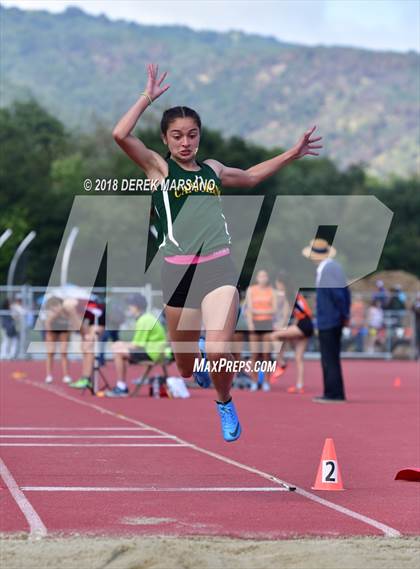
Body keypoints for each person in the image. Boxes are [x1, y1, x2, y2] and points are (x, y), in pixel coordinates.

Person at [112, 62, 322, 441]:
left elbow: (254, 176)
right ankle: (202, 364)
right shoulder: (158, 169)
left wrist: (292, 153)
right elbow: (119, 133)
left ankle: (224, 400)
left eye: (192, 135)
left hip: (218, 268)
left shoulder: (212, 170)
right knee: (185, 367)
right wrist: (146, 97)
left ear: (199, 137)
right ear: (165, 140)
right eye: (177, 136)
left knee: (221, 347)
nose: (185, 142)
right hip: (177, 274)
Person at [302, 238, 350, 403]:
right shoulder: (331, 267)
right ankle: (333, 391)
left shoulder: (328, 269)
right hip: (332, 318)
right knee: (330, 357)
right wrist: (345, 314)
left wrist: (344, 315)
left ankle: (334, 393)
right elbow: (345, 292)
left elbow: (339, 294)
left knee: (329, 358)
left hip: (330, 319)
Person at [106, 293, 169, 397]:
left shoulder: (144, 320)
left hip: (153, 353)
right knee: (119, 349)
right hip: (156, 351)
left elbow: (137, 345)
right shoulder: (146, 318)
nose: (129, 307)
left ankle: (121, 387)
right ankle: (122, 386)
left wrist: (120, 345)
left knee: (118, 353)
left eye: (131, 305)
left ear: (137, 306)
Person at [270, 292, 314, 393]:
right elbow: (299, 315)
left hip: (304, 325)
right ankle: (300, 386)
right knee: (298, 358)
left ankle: (281, 363)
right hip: (307, 325)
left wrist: (280, 328)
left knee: (274, 335)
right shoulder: (298, 297)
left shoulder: (290, 296)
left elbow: (286, 315)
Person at [245, 269, 277, 391]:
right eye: (260, 276)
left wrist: (257, 311)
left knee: (266, 355)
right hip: (255, 324)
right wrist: (250, 323)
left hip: (267, 324)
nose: (262, 278)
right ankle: (254, 381)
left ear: (267, 278)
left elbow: (274, 310)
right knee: (254, 355)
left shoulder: (271, 291)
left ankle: (266, 382)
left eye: (265, 276)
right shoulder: (251, 290)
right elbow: (249, 309)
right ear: (257, 278)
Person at [65, 296, 106, 390]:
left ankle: (86, 378)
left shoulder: (81, 307)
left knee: (88, 346)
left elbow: (85, 325)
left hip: (99, 322)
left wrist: (89, 335)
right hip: (91, 321)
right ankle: (85, 377)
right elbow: (81, 329)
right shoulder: (76, 309)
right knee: (84, 347)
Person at [43, 296, 72, 384]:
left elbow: (70, 323)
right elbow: (47, 325)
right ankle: (49, 375)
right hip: (52, 331)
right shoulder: (49, 312)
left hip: (63, 330)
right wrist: (55, 315)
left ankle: (66, 375)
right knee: (50, 353)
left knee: (64, 353)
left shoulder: (65, 312)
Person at [270, 273, 291, 382]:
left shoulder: (279, 295)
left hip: (278, 325)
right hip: (283, 325)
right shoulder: (286, 295)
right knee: (281, 349)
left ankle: (280, 363)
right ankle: (278, 367)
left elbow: (282, 311)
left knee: (275, 350)